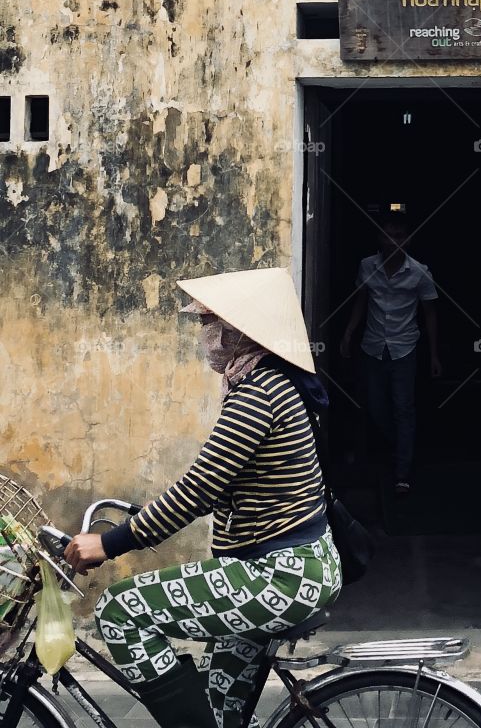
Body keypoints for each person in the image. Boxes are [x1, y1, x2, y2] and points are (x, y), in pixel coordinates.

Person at [64, 266, 341, 728]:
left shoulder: (259, 396)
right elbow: (219, 486)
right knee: (219, 709)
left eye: (210, 323)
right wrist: (141, 518)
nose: (205, 335)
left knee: (121, 610)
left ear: (240, 333)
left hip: (277, 576)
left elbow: (198, 489)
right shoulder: (271, 383)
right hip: (294, 566)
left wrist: (110, 543)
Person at [340, 214, 441, 495]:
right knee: (374, 406)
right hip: (373, 347)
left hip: (404, 348)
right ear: (380, 239)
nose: (394, 241)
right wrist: (349, 332)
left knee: (403, 408)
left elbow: (430, 314)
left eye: (399, 236)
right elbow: (361, 301)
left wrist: (434, 355)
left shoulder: (420, 273)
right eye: (388, 235)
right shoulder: (367, 267)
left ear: (408, 240)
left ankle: (402, 471)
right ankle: (401, 445)